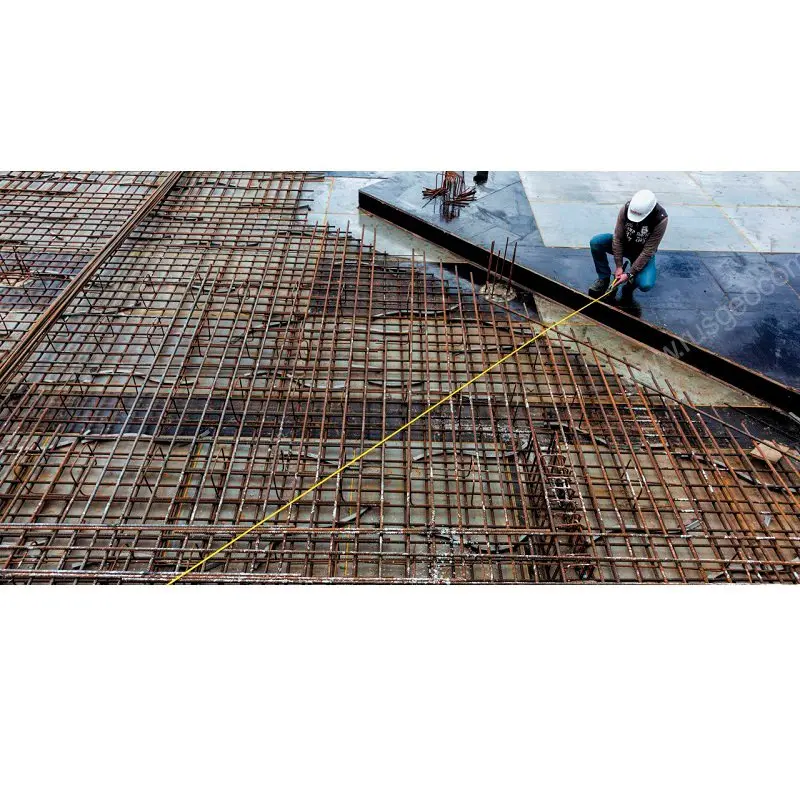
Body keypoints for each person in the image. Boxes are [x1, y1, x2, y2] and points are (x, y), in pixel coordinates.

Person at [588, 189, 668, 307]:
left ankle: (632, 282)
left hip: (642, 252)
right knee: (596, 242)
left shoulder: (660, 219)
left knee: (645, 284)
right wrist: (619, 266)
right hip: (625, 244)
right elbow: (618, 238)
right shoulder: (627, 208)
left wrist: (630, 273)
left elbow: (648, 251)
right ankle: (603, 278)